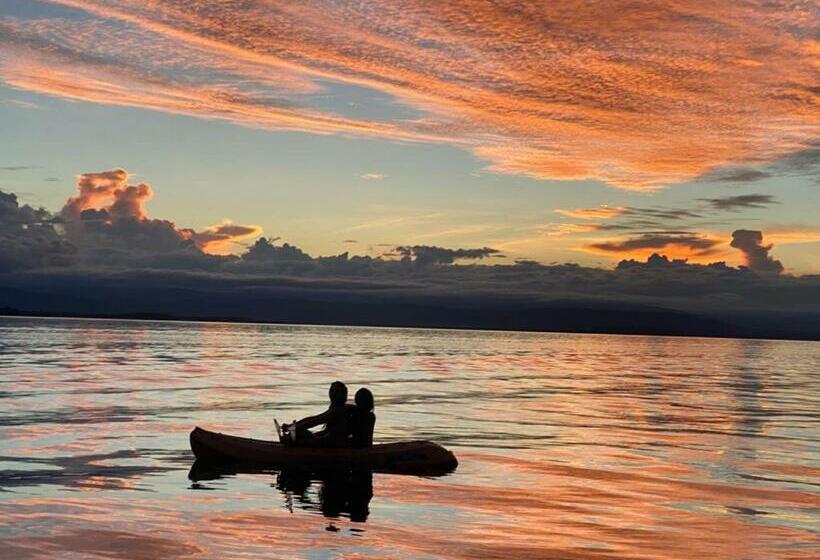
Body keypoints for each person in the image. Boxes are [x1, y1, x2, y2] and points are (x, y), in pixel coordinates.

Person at [282, 381, 354, 447]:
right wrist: (292, 426)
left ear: (344, 395)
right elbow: (314, 418)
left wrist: (292, 428)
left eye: (337, 392)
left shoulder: (339, 410)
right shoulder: (337, 408)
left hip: (334, 442)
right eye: (332, 391)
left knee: (299, 434)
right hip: (329, 438)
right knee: (300, 433)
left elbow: (315, 422)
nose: (333, 394)